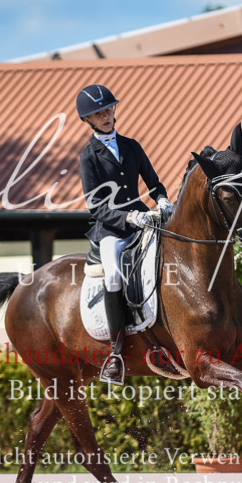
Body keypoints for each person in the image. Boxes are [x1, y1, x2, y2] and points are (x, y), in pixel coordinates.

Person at [76, 84, 172, 385]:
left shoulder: (132, 145)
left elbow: (153, 182)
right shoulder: (88, 156)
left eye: (108, 109)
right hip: (111, 228)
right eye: (98, 113)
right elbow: (96, 207)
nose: (106, 116)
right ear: (88, 120)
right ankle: (116, 353)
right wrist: (129, 216)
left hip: (145, 218)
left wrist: (163, 201)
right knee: (115, 274)